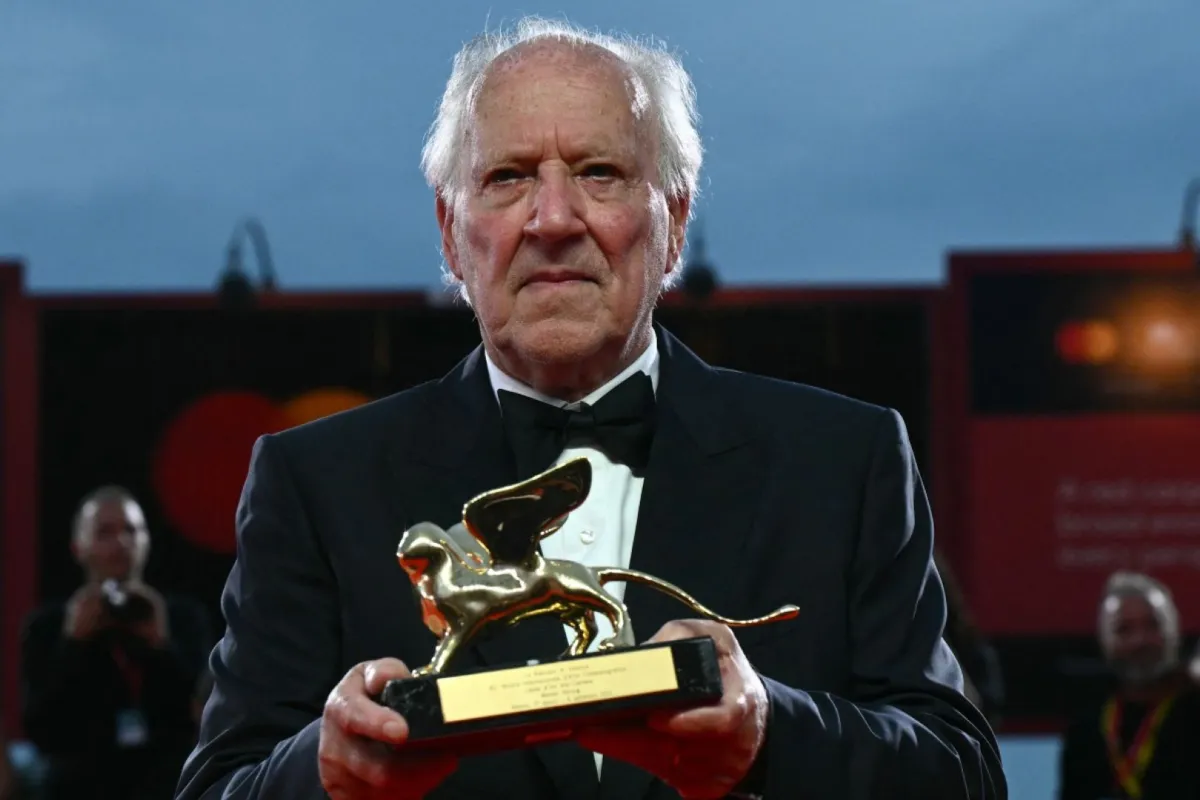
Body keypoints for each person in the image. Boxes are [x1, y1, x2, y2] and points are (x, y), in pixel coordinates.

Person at [176, 17, 1005, 800]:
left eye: (598, 172)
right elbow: (219, 785)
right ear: (448, 233)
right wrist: (323, 774)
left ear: (674, 222)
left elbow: (962, 774)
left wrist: (770, 735)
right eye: (507, 177)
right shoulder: (316, 483)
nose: (552, 219)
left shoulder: (842, 460)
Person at [21, 486, 213, 800]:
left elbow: (203, 716)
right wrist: (74, 643)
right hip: (78, 786)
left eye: (132, 530)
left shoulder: (181, 617)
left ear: (147, 541)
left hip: (166, 783)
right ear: (78, 547)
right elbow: (40, 728)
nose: (121, 542)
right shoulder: (47, 626)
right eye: (104, 532)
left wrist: (161, 645)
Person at [1058, 571, 1200, 800]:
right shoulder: (1087, 727)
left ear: (1173, 632)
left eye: (1152, 625)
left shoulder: (1194, 711)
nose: (1140, 640)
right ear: (1105, 640)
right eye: (1124, 629)